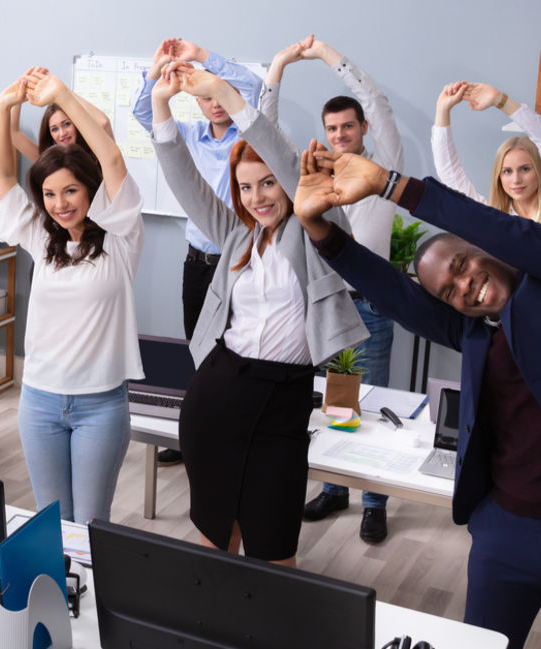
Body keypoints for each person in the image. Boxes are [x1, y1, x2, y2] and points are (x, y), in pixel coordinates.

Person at [291, 145, 541, 649]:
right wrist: (321, 230)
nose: (466, 285)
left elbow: (519, 235)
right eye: (449, 290)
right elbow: (394, 294)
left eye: (465, 264)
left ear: (486, 250)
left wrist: (392, 185)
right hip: (505, 533)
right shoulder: (476, 331)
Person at [153, 64, 366, 566]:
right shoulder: (236, 235)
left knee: (274, 553)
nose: (258, 197)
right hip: (219, 395)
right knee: (215, 543)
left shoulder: (317, 225)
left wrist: (224, 93)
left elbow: (288, 166)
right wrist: (162, 107)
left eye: (268, 183)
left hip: (284, 403)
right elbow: (185, 181)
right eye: (246, 187)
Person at [261, 35, 402, 542]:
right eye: (332, 129)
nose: (340, 135)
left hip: (373, 308)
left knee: (371, 400)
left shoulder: (384, 167)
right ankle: (336, 489)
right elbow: (265, 133)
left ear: (362, 130)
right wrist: (278, 66)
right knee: (333, 404)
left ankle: (375, 501)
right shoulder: (312, 176)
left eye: (348, 127)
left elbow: (379, 102)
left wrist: (326, 56)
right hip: (326, 303)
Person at [0, 68, 144, 524]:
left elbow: (112, 158)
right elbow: (1, 173)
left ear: (92, 191)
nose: (60, 204)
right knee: (51, 522)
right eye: (51, 194)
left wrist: (62, 96)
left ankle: (93, 597)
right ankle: (59, 597)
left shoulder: (122, 236)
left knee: (90, 524)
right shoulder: (42, 236)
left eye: (71, 191)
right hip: (38, 401)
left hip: (100, 403)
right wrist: (3, 108)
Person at [131, 37, 262, 467]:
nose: (215, 103)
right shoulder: (185, 135)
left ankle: (236, 437)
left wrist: (202, 58)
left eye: (219, 94)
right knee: (198, 349)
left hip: (240, 263)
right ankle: (197, 435)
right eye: (205, 97)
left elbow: (254, 86)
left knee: (237, 351)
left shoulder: (250, 134)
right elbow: (143, 112)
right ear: (198, 103)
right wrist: (156, 72)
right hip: (197, 261)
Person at [432, 80, 541, 239]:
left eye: (525, 169)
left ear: (539, 170)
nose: (516, 180)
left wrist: (500, 100)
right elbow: (450, 175)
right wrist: (442, 110)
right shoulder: (494, 218)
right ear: (499, 176)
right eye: (507, 171)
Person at [8, 91, 112, 163]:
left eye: (67, 124)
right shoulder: (48, 160)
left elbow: (104, 123)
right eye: (54, 129)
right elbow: (13, 133)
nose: (62, 134)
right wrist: (21, 92)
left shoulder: (97, 155)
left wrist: (62, 92)